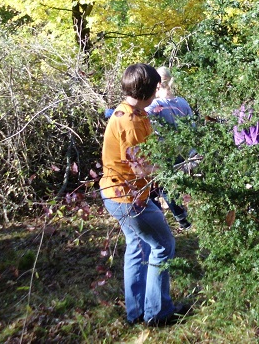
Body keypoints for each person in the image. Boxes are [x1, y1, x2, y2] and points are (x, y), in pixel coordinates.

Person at [100, 63, 188, 326]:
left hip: (117, 194)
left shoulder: (130, 112)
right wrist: (177, 168)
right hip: (129, 197)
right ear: (150, 90)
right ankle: (157, 313)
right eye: (157, 86)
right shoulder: (130, 120)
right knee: (163, 246)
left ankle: (137, 312)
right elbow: (142, 167)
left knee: (138, 247)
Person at [145, 69, 193, 231]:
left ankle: (181, 219)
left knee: (165, 187)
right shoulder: (183, 102)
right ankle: (182, 218)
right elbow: (192, 127)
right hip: (183, 152)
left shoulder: (156, 105)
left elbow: (139, 119)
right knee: (174, 185)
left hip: (165, 154)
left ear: (156, 85)